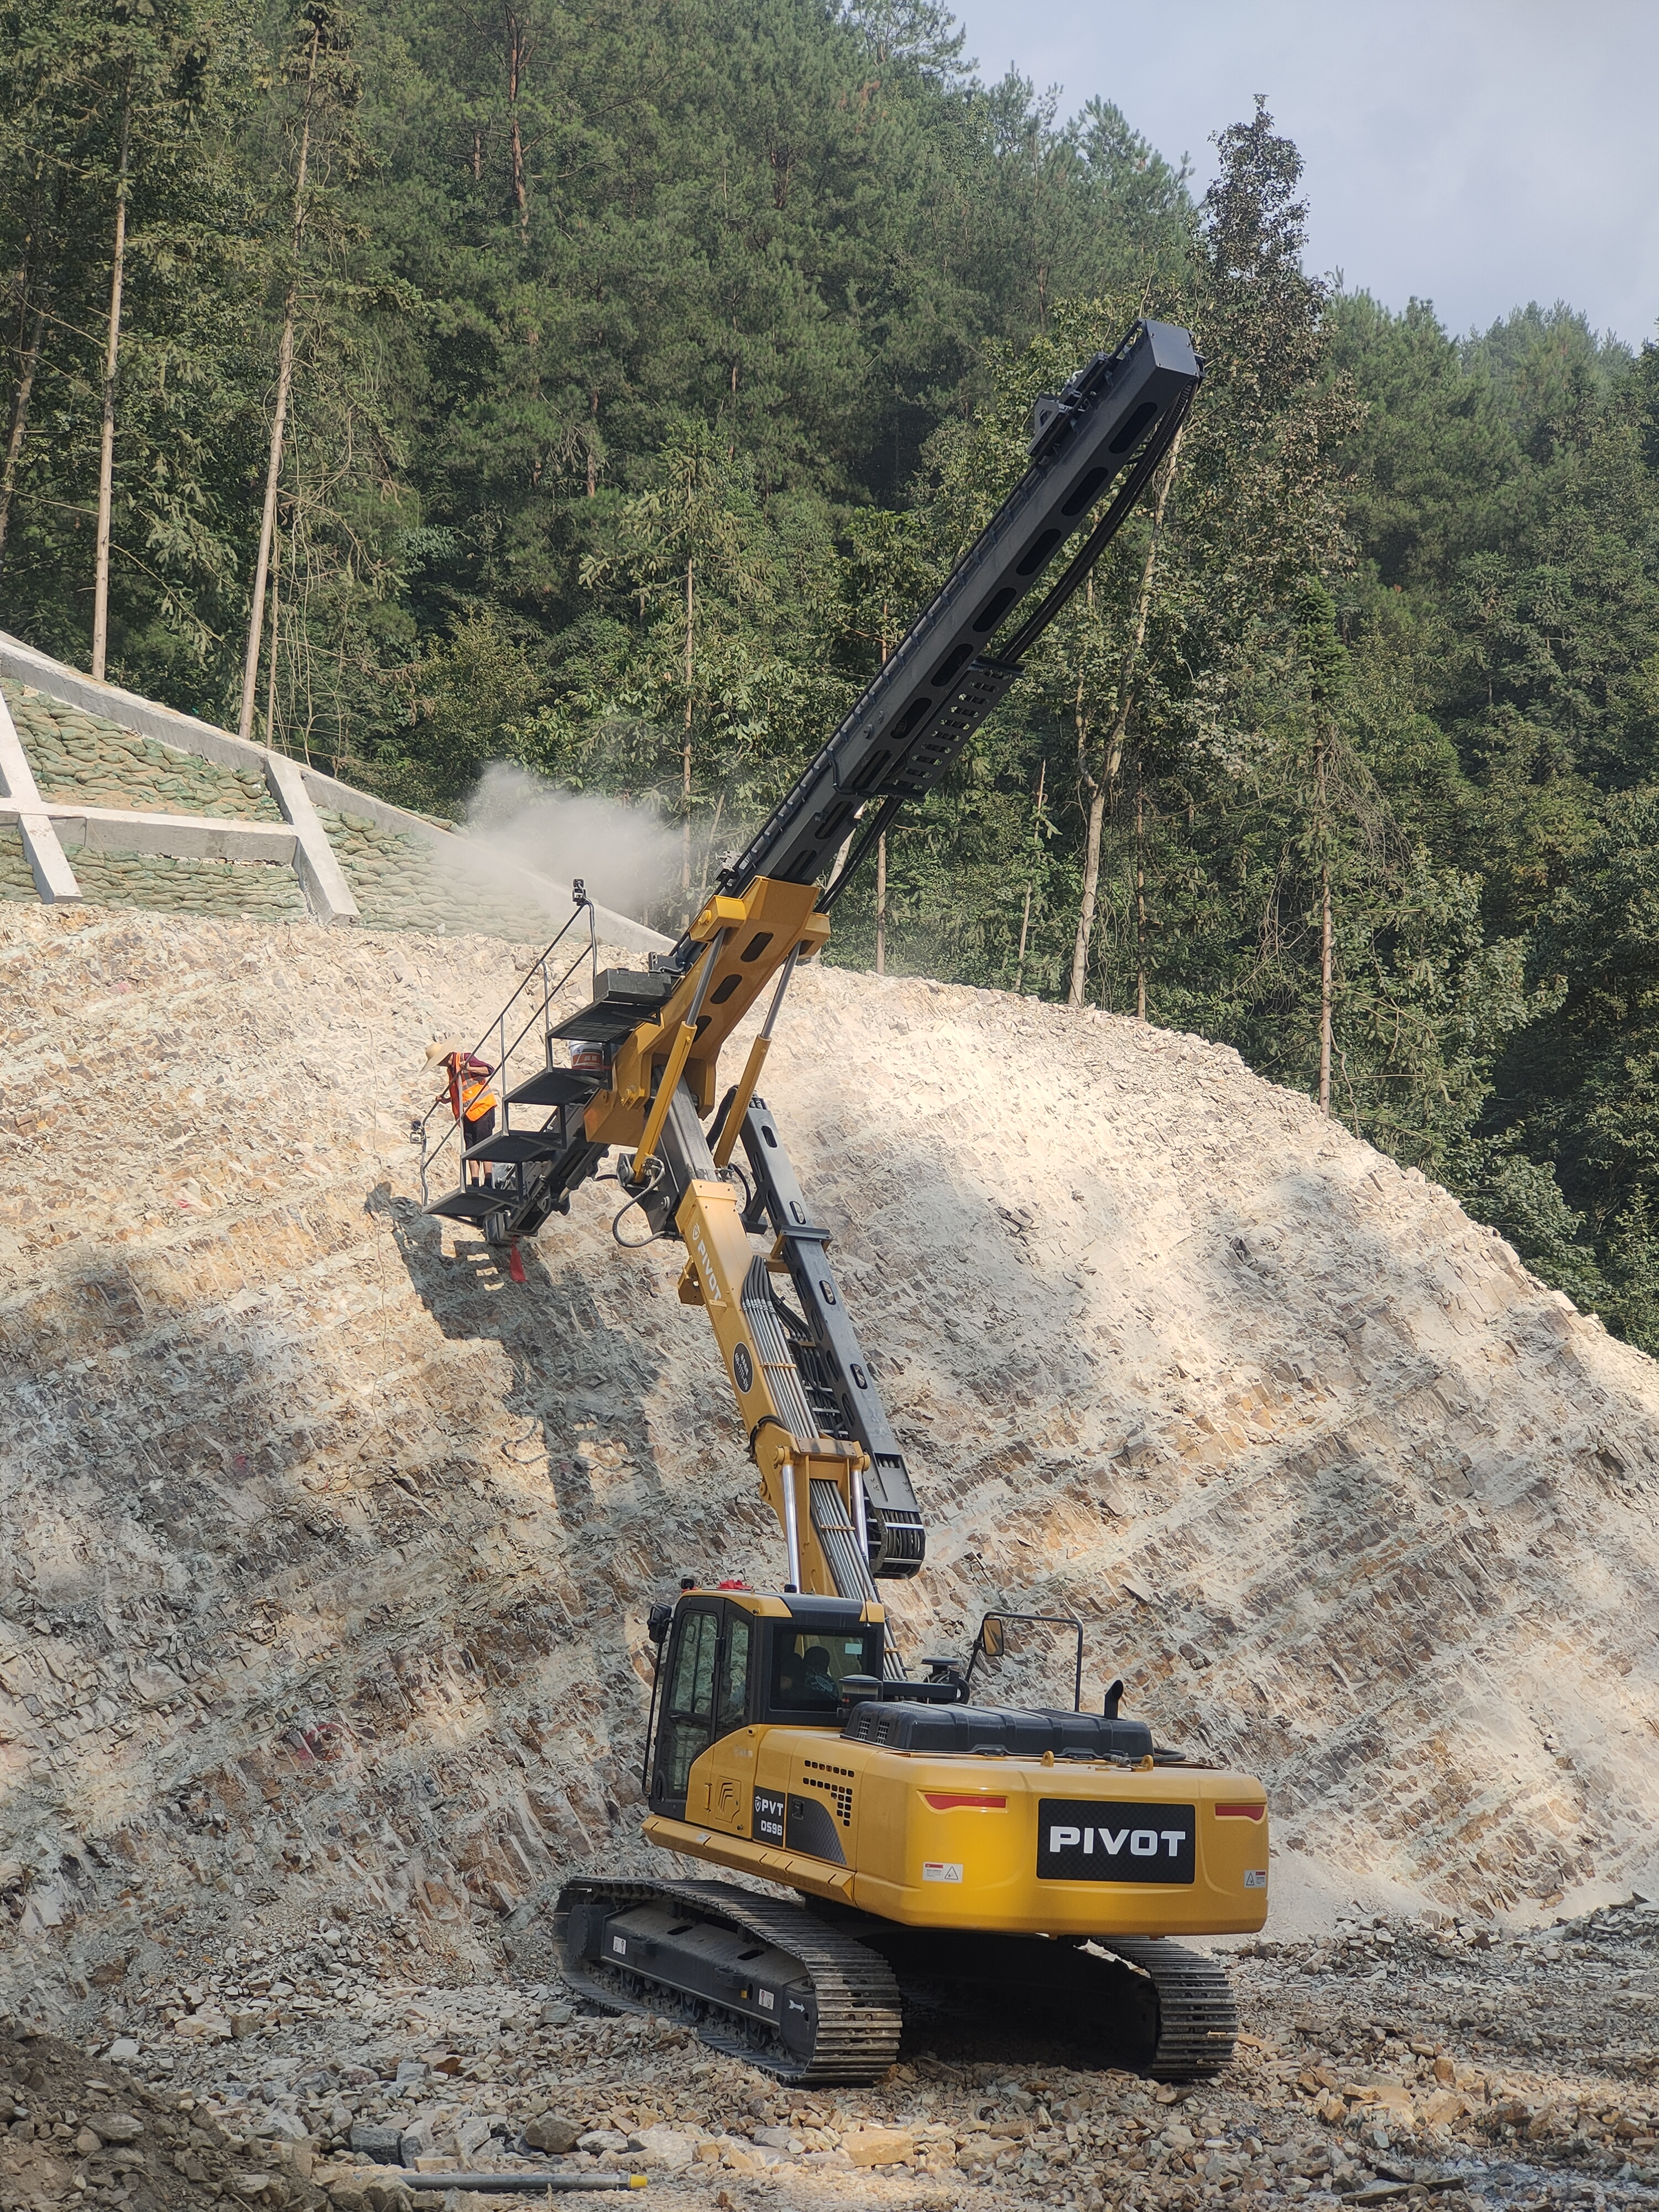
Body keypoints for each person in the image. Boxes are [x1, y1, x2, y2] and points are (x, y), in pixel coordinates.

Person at [425, 1039, 498, 1188]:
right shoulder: (450, 1070)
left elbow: (489, 1070)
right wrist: (446, 1100)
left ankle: (489, 1182)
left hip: (482, 1108)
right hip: (467, 1114)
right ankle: (475, 1182)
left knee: (483, 1145)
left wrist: (470, 1068)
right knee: (470, 1148)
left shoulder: (465, 1058)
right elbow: (461, 1091)